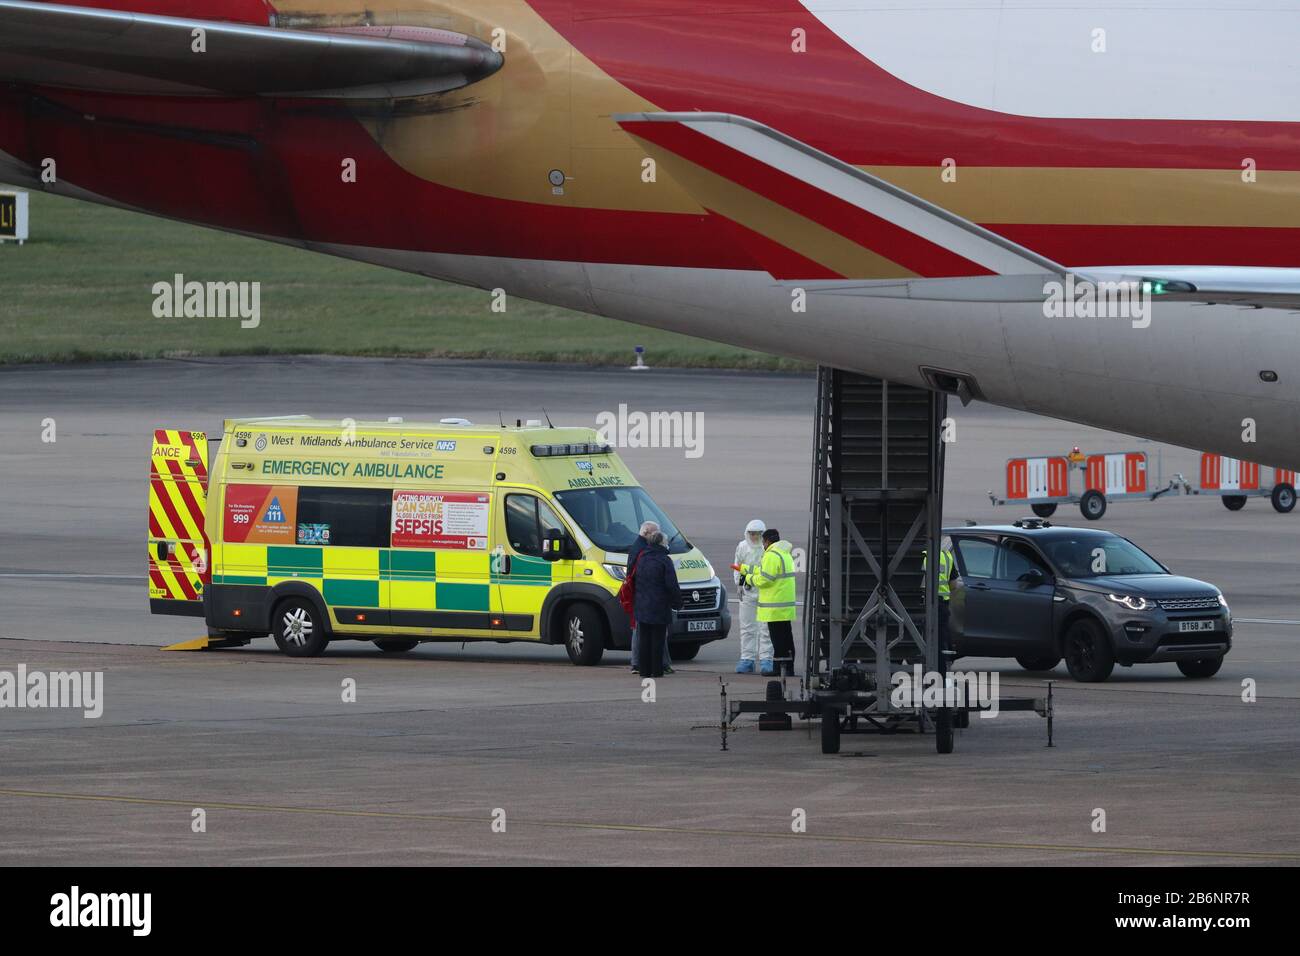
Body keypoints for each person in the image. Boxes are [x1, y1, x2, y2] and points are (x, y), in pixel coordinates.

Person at [734, 528, 797, 676]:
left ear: (768, 541)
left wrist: (748, 579)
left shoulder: (770, 555)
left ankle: (777, 669)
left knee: (777, 640)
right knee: (787, 638)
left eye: (763, 541)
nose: (762, 544)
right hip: (785, 606)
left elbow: (764, 579)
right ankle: (788, 668)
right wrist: (745, 569)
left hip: (774, 608)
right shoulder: (784, 553)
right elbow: (764, 571)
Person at [632, 529, 683, 678]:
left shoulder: (642, 558)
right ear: (661, 543)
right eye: (666, 542)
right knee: (658, 640)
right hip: (659, 606)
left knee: (644, 639)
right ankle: (656, 670)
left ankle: (644, 670)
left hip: (642, 605)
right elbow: (671, 585)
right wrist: (678, 603)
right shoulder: (664, 560)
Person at [733, 519, 772, 673]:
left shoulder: (767, 549)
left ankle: (766, 659)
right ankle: (747, 658)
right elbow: (737, 565)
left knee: (765, 628)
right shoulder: (742, 547)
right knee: (747, 626)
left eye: (758, 534)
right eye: (752, 534)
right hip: (748, 591)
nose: (755, 537)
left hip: (764, 591)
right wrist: (739, 584)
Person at [921, 537, 957, 657]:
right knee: (940, 643)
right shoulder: (947, 557)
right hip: (941, 606)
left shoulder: (922, 556)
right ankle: (940, 673)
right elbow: (953, 585)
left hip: (923, 603)